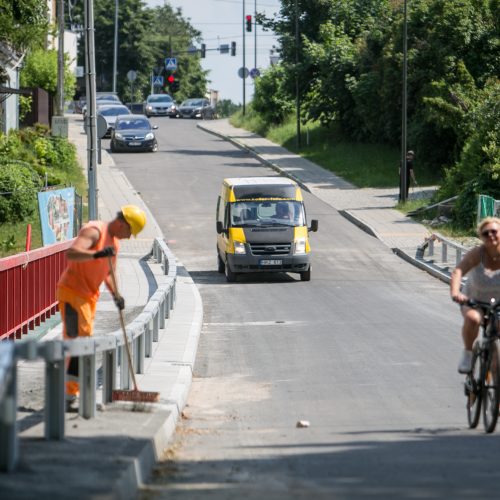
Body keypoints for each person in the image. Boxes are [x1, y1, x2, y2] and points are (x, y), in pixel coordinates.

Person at [56, 205, 147, 409]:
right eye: (129, 232)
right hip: (71, 293)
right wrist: (96, 254)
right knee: (78, 339)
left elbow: (108, 273)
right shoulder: (95, 230)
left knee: (81, 340)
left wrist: (117, 295)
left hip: (89, 298)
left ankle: (73, 394)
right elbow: (72, 254)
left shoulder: (115, 244)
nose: (128, 237)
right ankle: (71, 395)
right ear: (122, 223)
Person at [450, 217, 500, 373]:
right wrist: (456, 292)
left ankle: (494, 381)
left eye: (494, 231)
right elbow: (458, 271)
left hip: (497, 303)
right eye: (486, 233)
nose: (491, 235)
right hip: (474, 300)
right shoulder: (477, 254)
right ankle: (468, 352)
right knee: (473, 319)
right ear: (481, 237)